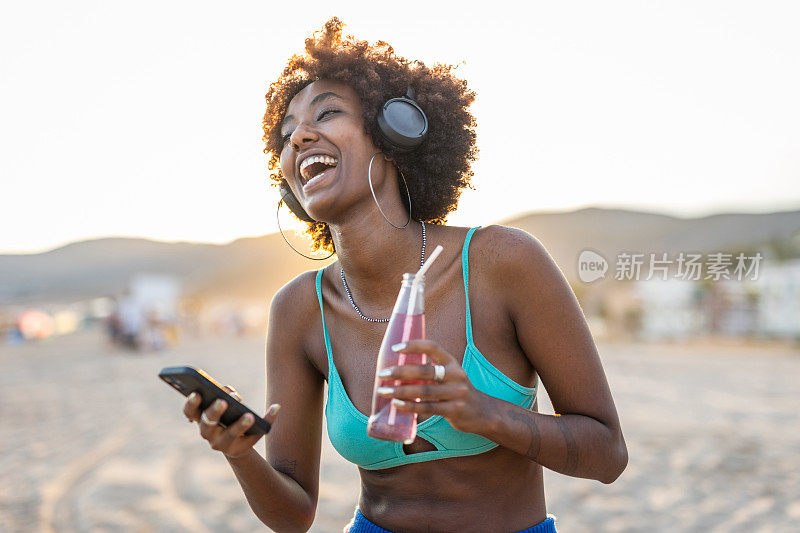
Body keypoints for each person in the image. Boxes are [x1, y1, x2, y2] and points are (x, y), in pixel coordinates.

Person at [182, 18, 627, 533]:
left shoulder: (503, 262)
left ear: (393, 131)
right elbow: (294, 514)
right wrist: (240, 454)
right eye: (287, 136)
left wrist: (482, 412)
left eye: (327, 113)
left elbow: (607, 455)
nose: (301, 137)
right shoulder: (299, 309)